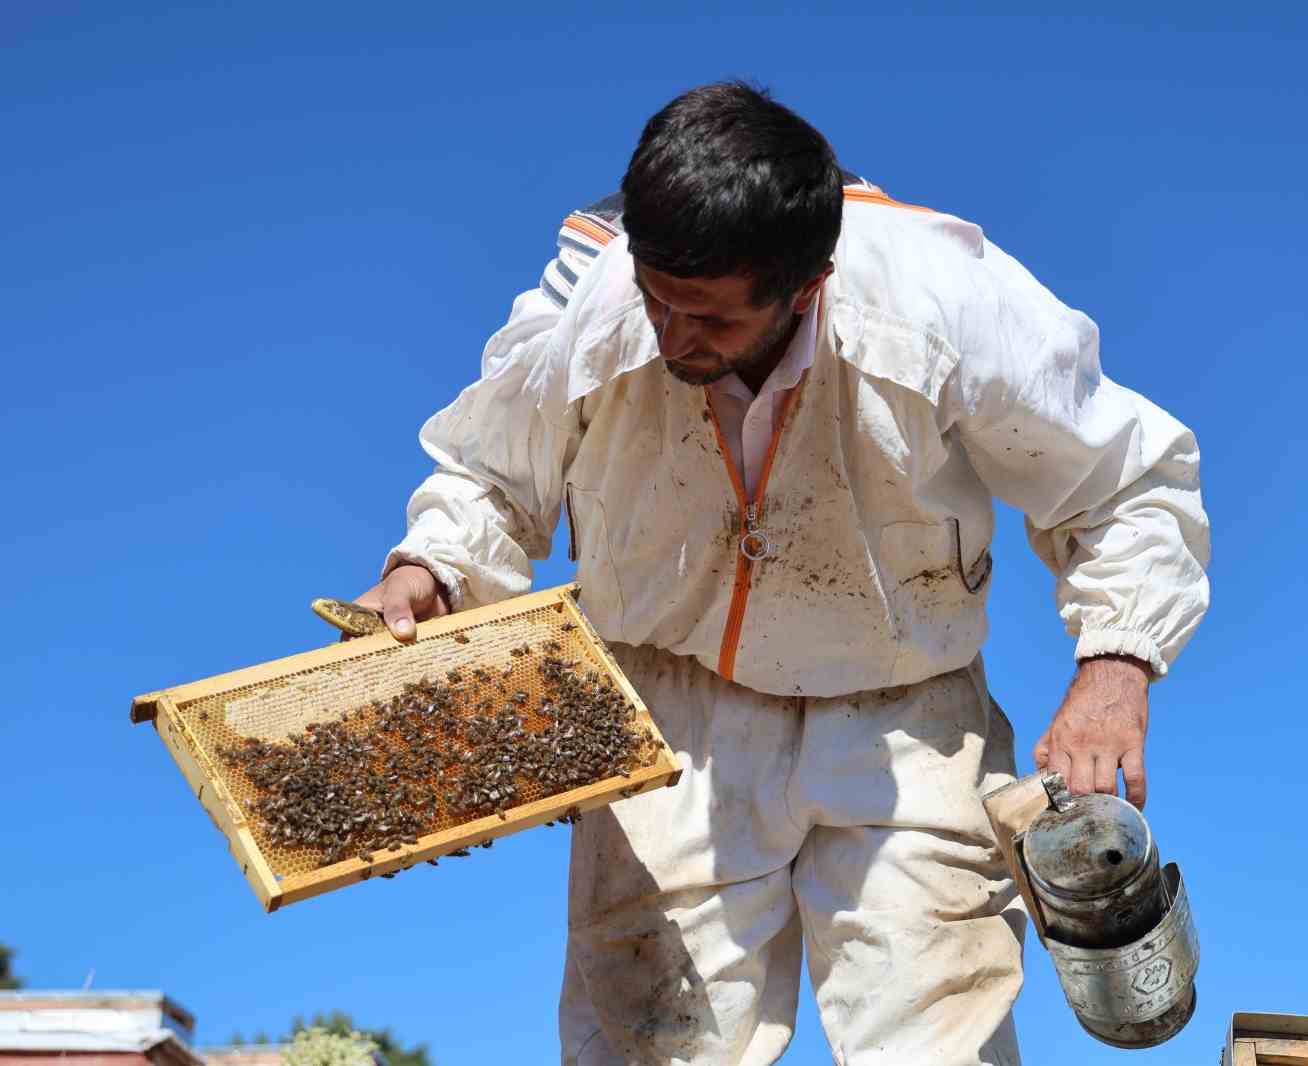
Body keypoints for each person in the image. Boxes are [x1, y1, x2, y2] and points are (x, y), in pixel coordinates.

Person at [356, 82, 1210, 1066]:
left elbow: (1125, 483)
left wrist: (1114, 670)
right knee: (653, 1047)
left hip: (903, 717)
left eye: (709, 319)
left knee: (936, 1045)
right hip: (667, 728)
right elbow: (491, 474)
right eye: (658, 302)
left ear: (806, 285)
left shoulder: (945, 298)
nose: (674, 338)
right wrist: (430, 565)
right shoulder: (589, 296)